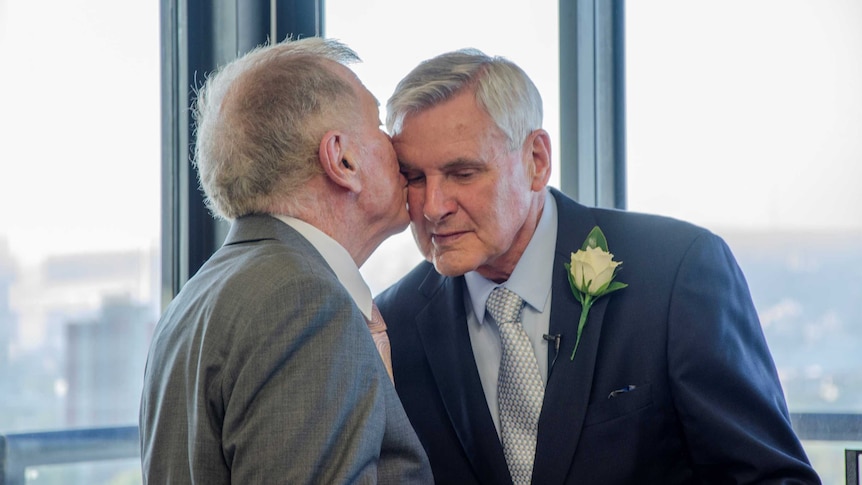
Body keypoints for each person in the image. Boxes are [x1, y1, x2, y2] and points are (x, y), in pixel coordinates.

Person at [374, 48, 820, 484]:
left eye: (462, 173)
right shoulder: (390, 325)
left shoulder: (675, 272)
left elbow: (773, 477)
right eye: (414, 177)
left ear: (536, 161)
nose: (432, 207)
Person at [139, 37, 432, 484]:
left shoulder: (193, 300)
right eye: (377, 125)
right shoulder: (304, 302)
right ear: (343, 159)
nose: (396, 146)